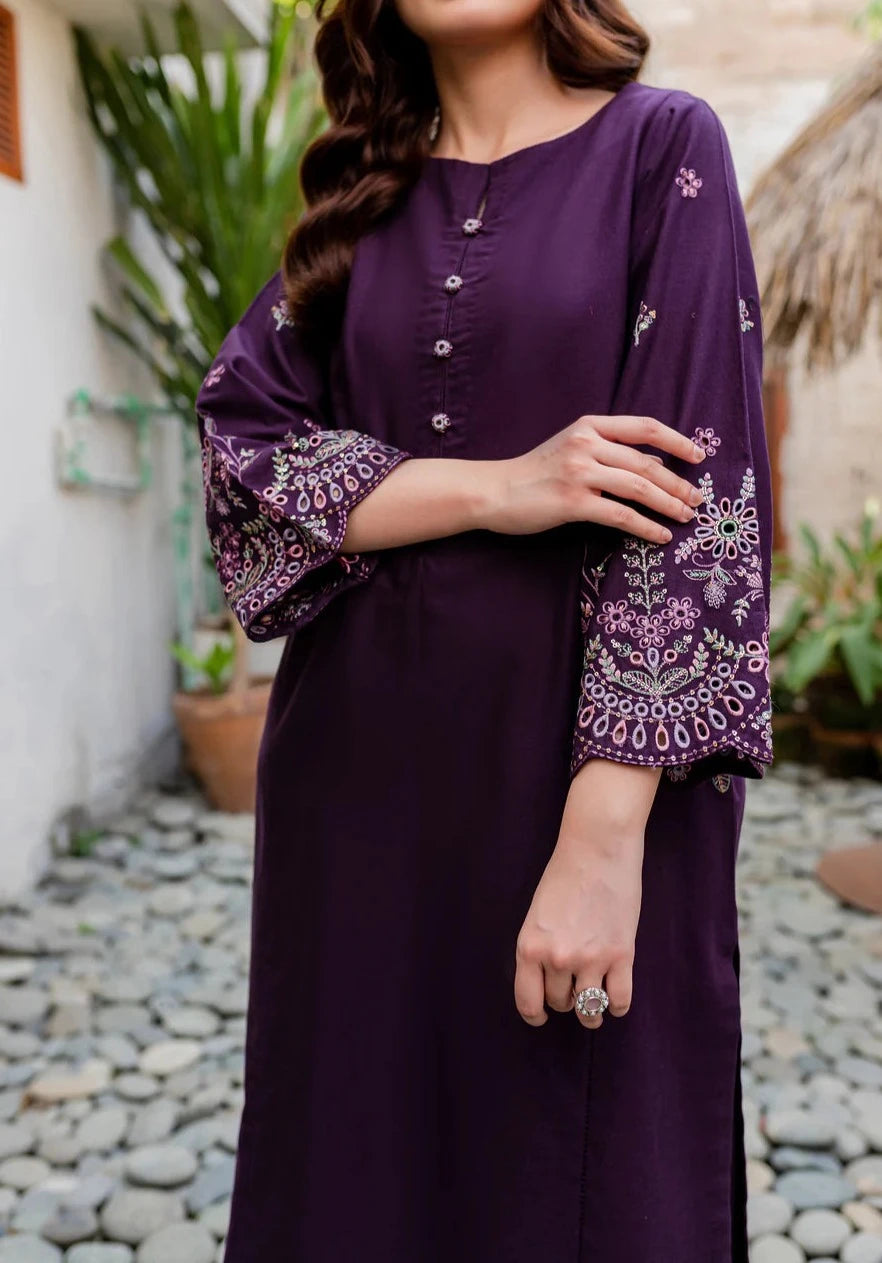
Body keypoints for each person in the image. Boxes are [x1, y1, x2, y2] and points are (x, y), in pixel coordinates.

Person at [195, 1, 773, 1258]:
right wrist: (499, 486)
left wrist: (603, 839)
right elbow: (245, 452)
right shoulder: (364, 202)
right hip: (355, 790)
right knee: (355, 1173)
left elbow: (700, 506)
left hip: (575, 773)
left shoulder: (661, 149)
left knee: (583, 1173)